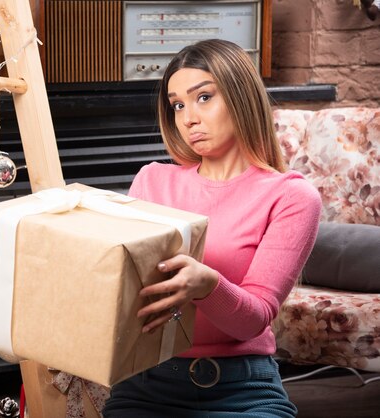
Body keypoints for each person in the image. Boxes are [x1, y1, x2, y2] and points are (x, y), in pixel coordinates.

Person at [103, 39, 321, 417]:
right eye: (178, 105)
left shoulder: (292, 196)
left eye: (203, 97)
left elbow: (252, 320)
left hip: (243, 389)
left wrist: (207, 285)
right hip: (145, 384)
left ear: (240, 97)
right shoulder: (153, 181)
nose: (188, 118)